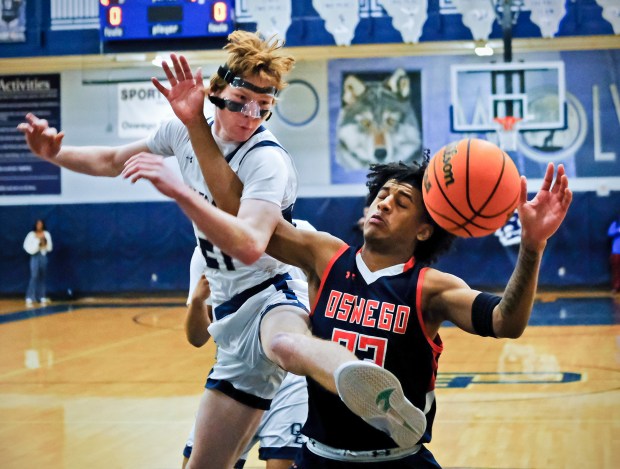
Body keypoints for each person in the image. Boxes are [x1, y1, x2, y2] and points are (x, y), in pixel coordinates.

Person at [18, 34, 418, 469]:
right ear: (215, 92)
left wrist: (177, 191)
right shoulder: (182, 132)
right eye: (241, 101)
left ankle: (358, 383)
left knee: (284, 342)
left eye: (262, 109)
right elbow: (112, 159)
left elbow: (249, 245)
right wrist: (54, 154)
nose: (250, 116)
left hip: (272, 288)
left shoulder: (268, 159)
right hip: (229, 317)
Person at [122, 133, 571, 467]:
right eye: (380, 195)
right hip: (319, 456)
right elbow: (243, 206)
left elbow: (505, 322)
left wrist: (532, 247)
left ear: (423, 229)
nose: (383, 204)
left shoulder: (432, 287)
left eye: (401, 201)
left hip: (398, 458)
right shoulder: (325, 256)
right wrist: (193, 129)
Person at [181, 220, 315, 469]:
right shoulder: (206, 251)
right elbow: (197, 338)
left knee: (280, 463)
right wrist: (198, 302)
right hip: (235, 374)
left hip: (290, 383)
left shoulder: (302, 233)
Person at [23, 219, 53, 307]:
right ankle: (29, 296)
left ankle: (41, 296)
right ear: (35, 225)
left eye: (41, 224)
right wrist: (37, 243)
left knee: (42, 276)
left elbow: (50, 247)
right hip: (34, 256)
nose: (39, 226)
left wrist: (45, 243)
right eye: (38, 224)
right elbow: (26, 246)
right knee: (34, 275)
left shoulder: (46, 234)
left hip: (43, 256)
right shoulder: (31, 235)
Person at [608, 216, 620, 293]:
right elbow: (609, 233)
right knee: (616, 271)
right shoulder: (615, 224)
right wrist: (617, 231)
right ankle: (616, 287)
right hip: (616, 252)